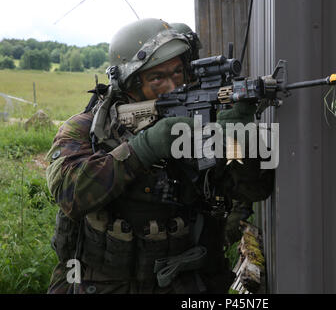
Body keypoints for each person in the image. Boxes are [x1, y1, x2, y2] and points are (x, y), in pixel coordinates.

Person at [45, 18, 274, 294]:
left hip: (185, 281)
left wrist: (240, 141)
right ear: (129, 83)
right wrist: (146, 147)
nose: (172, 86)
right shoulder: (87, 127)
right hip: (102, 283)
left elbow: (255, 190)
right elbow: (70, 193)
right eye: (157, 78)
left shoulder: (199, 121)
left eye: (178, 73)